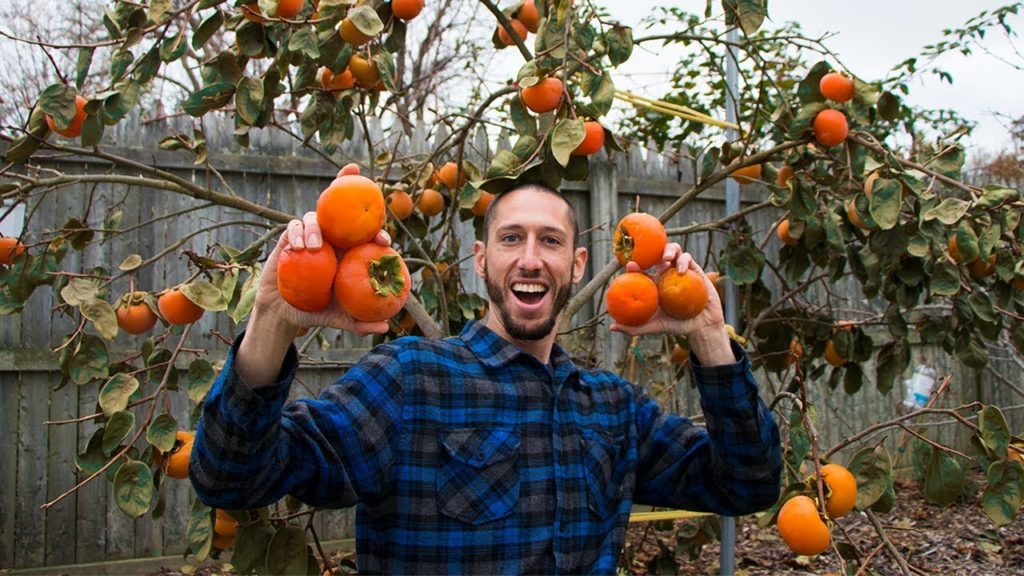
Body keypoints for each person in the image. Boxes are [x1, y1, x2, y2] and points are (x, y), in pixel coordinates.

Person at [190, 182, 782, 574]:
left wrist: (709, 333)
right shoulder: (411, 382)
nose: (530, 258)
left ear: (577, 265)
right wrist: (272, 320)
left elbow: (747, 484)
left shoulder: (612, 408)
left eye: (551, 241)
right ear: (481, 260)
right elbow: (229, 477)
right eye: (511, 238)